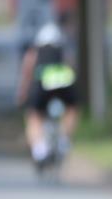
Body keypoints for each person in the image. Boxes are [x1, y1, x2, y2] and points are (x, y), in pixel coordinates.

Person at [16, 22, 79, 167]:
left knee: (34, 115)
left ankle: (40, 150)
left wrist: (23, 93)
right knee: (72, 109)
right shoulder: (63, 50)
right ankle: (64, 140)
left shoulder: (34, 53)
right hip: (64, 83)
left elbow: (27, 73)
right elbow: (71, 66)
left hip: (42, 84)